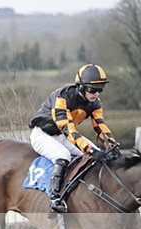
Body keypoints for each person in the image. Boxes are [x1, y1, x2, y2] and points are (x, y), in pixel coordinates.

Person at [28, 63, 118, 215]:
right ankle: (55, 199)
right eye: (92, 89)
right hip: (43, 135)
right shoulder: (62, 96)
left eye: (100, 89)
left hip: (62, 136)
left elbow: (100, 126)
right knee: (63, 155)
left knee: (96, 155)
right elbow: (68, 129)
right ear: (81, 86)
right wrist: (88, 149)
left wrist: (112, 146)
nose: (96, 93)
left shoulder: (96, 103)